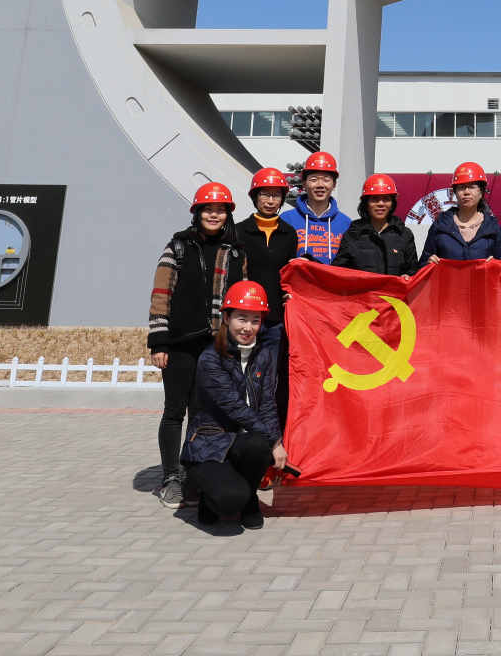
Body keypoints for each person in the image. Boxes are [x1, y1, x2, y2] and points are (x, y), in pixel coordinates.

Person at [146, 181, 250, 509]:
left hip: (217, 346)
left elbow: (240, 303)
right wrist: (159, 343)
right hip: (180, 344)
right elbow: (161, 296)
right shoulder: (177, 248)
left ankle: (193, 473)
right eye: (208, 209)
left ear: (228, 215)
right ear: (197, 213)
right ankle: (170, 478)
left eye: (220, 210)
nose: (214, 215)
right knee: (175, 411)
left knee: (202, 413)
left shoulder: (236, 253)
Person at [182, 280, 285, 530]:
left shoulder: (263, 355)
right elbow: (235, 407)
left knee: (258, 444)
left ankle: (249, 497)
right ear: (226, 318)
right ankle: (212, 493)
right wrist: (275, 441)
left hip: (242, 444)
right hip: (209, 445)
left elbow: (268, 404)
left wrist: (276, 443)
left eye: (255, 320)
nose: (248, 327)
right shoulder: (210, 359)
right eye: (242, 318)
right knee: (228, 500)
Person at [233, 167, 300, 422]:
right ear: (254, 197)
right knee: (239, 375)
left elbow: (289, 274)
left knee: (269, 379)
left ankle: (269, 430)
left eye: (276, 195)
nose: (271, 201)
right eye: (265, 194)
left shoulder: (288, 233)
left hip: (275, 320)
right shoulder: (239, 231)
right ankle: (240, 428)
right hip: (244, 317)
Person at [420, 162, 501, 262]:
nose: (467, 192)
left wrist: (497, 265)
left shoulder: (493, 228)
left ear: (481, 192)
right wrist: (429, 263)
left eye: (472, 187)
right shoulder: (440, 226)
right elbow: (423, 265)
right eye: (461, 187)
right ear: (455, 192)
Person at [335, 173, 419, 275]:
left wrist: (408, 275)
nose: (380, 204)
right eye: (374, 198)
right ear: (365, 204)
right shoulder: (352, 235)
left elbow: (413, 269)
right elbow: (339, 271)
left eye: (386, 199)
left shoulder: (404, 234)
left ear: (392, 205)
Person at [281, 150, 352, 265]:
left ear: (334, 185)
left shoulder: (346, 223)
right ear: (304, 184)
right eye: (313, 180)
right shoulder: (286, 219)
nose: (320, 185)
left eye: (326, 180)